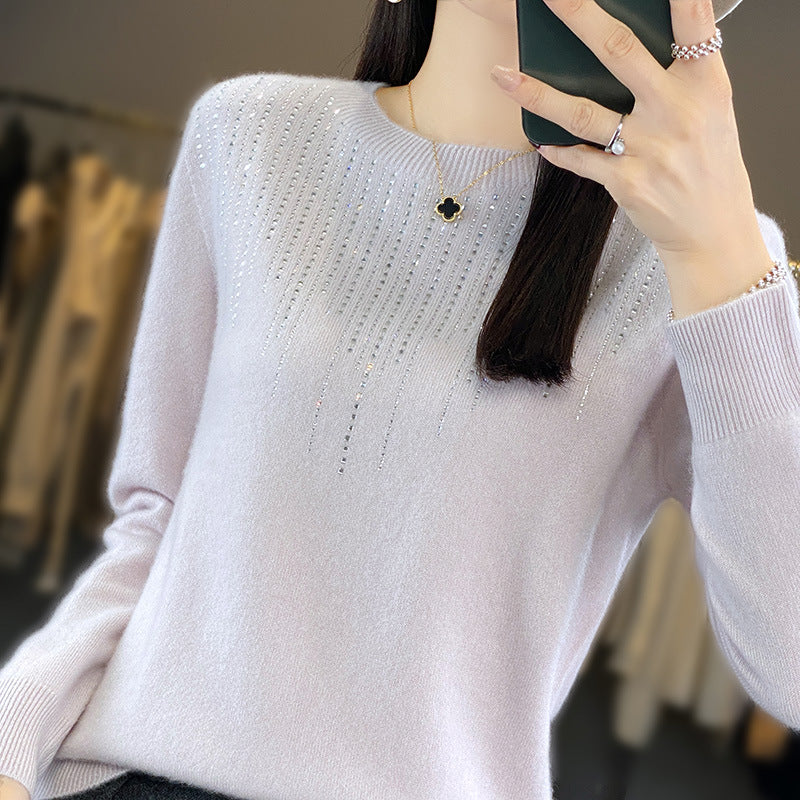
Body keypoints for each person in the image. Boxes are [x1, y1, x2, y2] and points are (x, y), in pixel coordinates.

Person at [3, 1, 800, 799]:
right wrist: (14, 736)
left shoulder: (698, 256)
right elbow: (154, 523)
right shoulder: (247, 135)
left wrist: (722, 249)